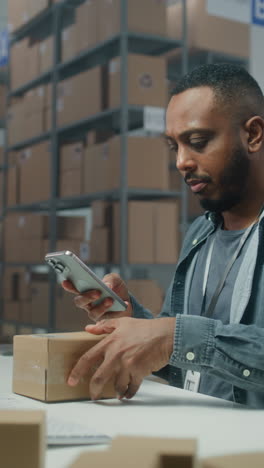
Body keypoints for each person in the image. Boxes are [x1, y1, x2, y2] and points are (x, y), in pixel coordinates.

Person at [63, 63, 264, 408]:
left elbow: (184, 341)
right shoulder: (201, 234)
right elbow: (186, 358)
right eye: (174, 147)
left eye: (198, 142)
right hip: (196, 438)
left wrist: (171, 336)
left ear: (253, 134)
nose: (182, 162)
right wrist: (133, 321)